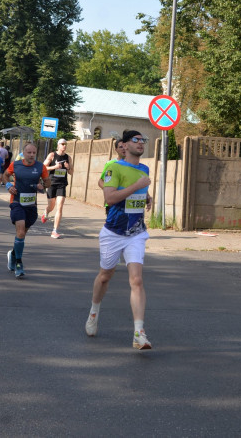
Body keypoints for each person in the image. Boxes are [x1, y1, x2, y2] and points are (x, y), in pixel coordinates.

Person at [86, 130, 154, 350]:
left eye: (143, 140)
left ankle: (139, 333)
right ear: (124, 145)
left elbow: (137, 192)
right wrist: (137, 187)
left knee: (137, 280)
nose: (140, 143)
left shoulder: (144, 169)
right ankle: (94, 312)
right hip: (113, 232)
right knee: (105, 276)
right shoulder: (113, 168)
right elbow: (110, 197)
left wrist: (146, 196)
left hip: (136, 232)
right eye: (136, 140)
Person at [3, 142, 48, 279]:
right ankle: (19, 263)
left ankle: (13, 254)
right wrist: (9, 185)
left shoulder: (41, 167)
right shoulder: (15, 165)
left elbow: (48, 182)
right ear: (24, 153)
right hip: (16, 201)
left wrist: (42, 185)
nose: (32, 155)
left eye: (34, 153)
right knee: (21, 230)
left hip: (31, 205)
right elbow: (5, 175)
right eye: (29, 152)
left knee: (22, 234)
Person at [42, 138, 73, 238]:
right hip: (51, 183)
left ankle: (54, 230)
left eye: (65, 144)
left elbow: (71, 172)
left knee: (60, 206)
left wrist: (68, 167)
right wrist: (54, 167)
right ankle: (46, 211)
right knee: (51, 206)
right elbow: (43, 167)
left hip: (62, 184)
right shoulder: (52, 155)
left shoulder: (68, 158)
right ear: (58, 145)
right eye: (62, 144)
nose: (64, 146)